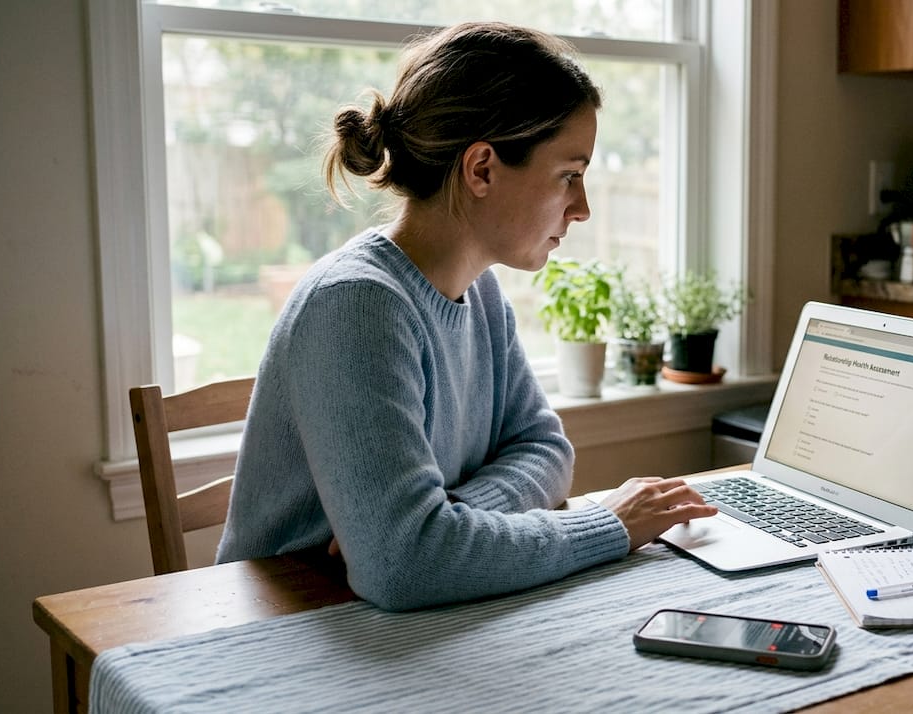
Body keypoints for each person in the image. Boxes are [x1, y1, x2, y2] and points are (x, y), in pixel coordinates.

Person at [216, 21, 717, 611]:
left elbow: (547, 452)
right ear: (481, 169)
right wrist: (610, 526)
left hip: (389, 624)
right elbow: (403, 568)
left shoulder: (480, 295)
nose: (581, 208)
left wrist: (450, 521)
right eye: (570, 175)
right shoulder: (355, 306)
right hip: (288, 634)